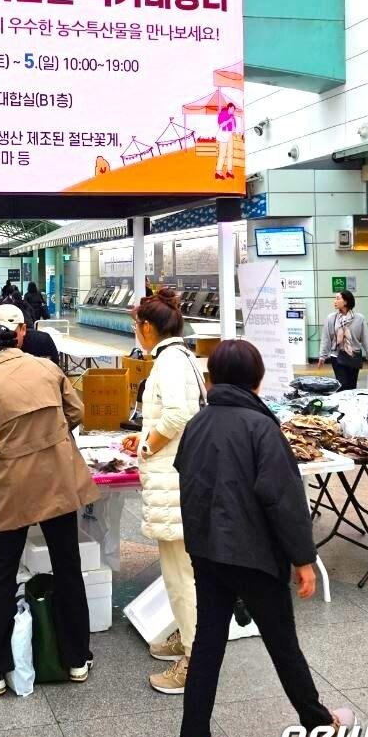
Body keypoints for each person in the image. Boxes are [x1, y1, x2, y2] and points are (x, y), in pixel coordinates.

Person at [169, 340, 355, 737]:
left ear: (212, 377)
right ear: (256, 378)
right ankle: (319, 726)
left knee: (208, 646)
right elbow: (283, 501)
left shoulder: (198, 423)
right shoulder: (261, 428)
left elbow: (188, 480)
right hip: (252, 556)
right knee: (283, 644)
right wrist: (303, 559)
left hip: (207, 553)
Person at [0, 325, 99, 695]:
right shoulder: (48, 368)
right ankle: (77, 659)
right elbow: (77, 411)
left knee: (2, 574)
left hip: (15, 486)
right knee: (68, 566)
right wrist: (48, 439)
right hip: (58, 478)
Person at [121, 289, 205, 695]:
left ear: (148, 328)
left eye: (137, 327)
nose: (136, 334)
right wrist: (143, 439)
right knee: (183, 571)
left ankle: (194, 659)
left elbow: (177, 415)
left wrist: (148, 444)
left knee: (180, 576)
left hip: (174, 482)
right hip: (180, 477)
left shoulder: (170, 361)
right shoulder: (181, 356)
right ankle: (190, 640)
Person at [318, 289, 368, 391]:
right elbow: (326, 338)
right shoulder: (331, 318)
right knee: (342, 385)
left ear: (345, 301)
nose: (334, 301)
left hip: (354, 355)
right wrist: (322, 356)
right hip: (337, 356)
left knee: (352, 386)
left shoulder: (359, 319)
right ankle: (341, 405)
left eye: (337, 298)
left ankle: (351, 406)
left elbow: (365, 338)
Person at [215, 101, 237, 180]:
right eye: (232, 109)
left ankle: (229, 171)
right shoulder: (223, 114)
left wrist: (234, 129)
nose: (233, 111)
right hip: (223, 135)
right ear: (229, 107)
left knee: (230, 153)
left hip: (230, 135)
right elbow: (221, 124)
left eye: (234, 110)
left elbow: (234, 128)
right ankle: (218, 171)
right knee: (222, 153)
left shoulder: (232, 116)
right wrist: (228, 120)